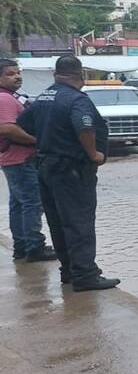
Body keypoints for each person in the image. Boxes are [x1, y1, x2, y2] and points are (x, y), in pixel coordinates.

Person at [17, 55, 119, 292]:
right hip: (71, 170)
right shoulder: (76, 100)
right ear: (80, 75)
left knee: (58, 222)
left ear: (56, 74)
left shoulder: (42, 97)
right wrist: (94, 154)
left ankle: (69, 271)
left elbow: (23, 124)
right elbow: (84, 126)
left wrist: (46, 142)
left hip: (46, 168)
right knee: (79, 222)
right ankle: (85, 275)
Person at [0, 59, 57, 263]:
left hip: (13, 158)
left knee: (19, 203)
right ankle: (34, 246)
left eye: (18, 72)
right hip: (20, 158)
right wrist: (37, 141)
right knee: (32, 202)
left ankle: (22, 245)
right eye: (9, 73)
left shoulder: (11, 96)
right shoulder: (5, 99)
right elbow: (7, 128)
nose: (17, 76)